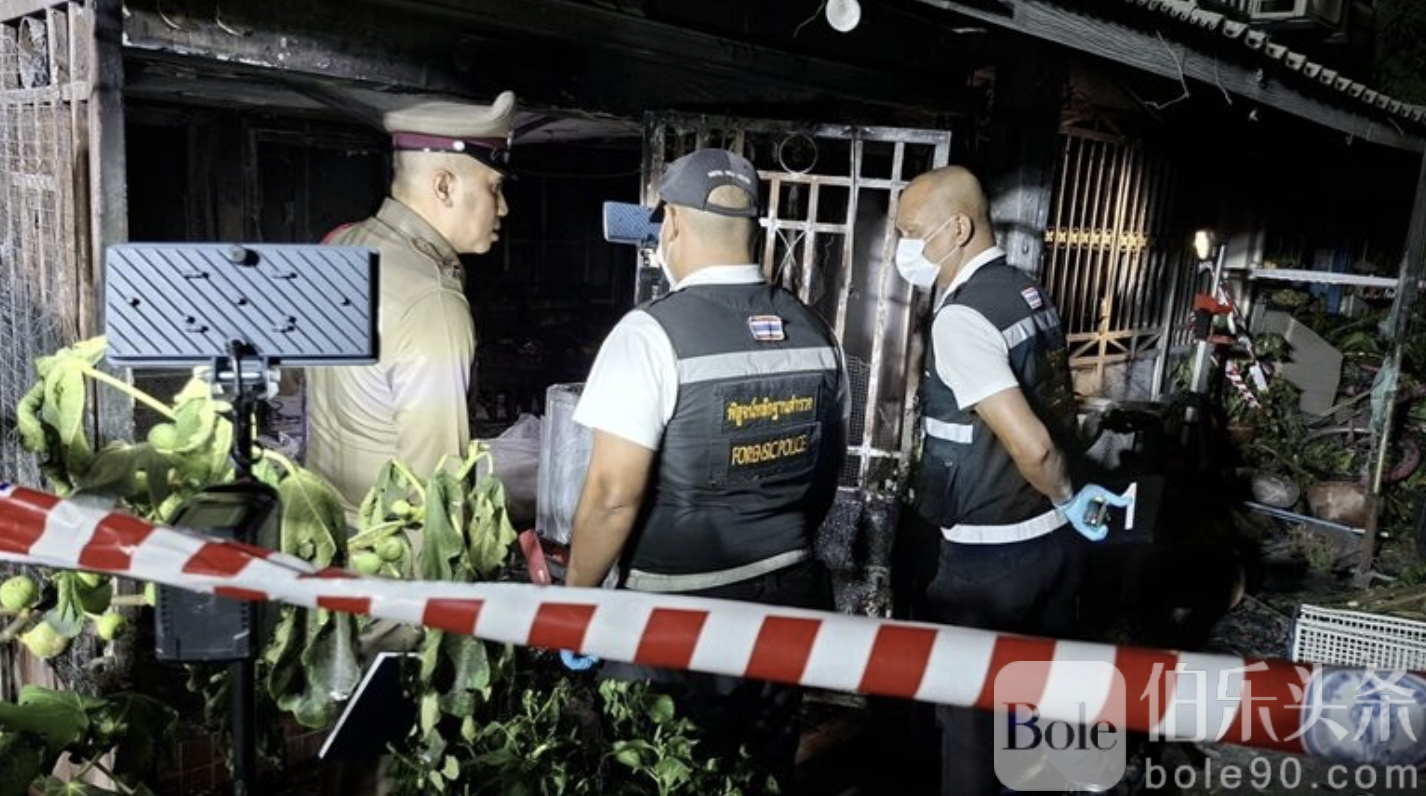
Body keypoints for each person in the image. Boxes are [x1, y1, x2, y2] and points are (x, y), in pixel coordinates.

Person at [564, 148, 847, 790]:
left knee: (661, 772)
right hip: (789, 602)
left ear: (671, 223)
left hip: (674, 617)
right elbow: (826, 470)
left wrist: (575, 604)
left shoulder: (648, 334)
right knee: (760, 773)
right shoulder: (813, 329)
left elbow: (611, 497)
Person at [892, 165, 1127, 796]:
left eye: (910, 232)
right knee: (1037, 709)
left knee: (973, 726)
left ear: (957, 228)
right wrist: (1067, 507)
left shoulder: (961, 318)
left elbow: (1035, 444)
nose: (903, 248)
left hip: (989, 559)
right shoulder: (1026, 291)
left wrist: (1067, 494)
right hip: (1051, 547)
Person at [306, 92, 516, 517]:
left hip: (325, 523)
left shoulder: (342, 245)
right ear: (444, 186)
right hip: (393, 545)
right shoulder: (432, 300)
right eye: (494, 187)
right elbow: (436, 489)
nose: (504, 207)